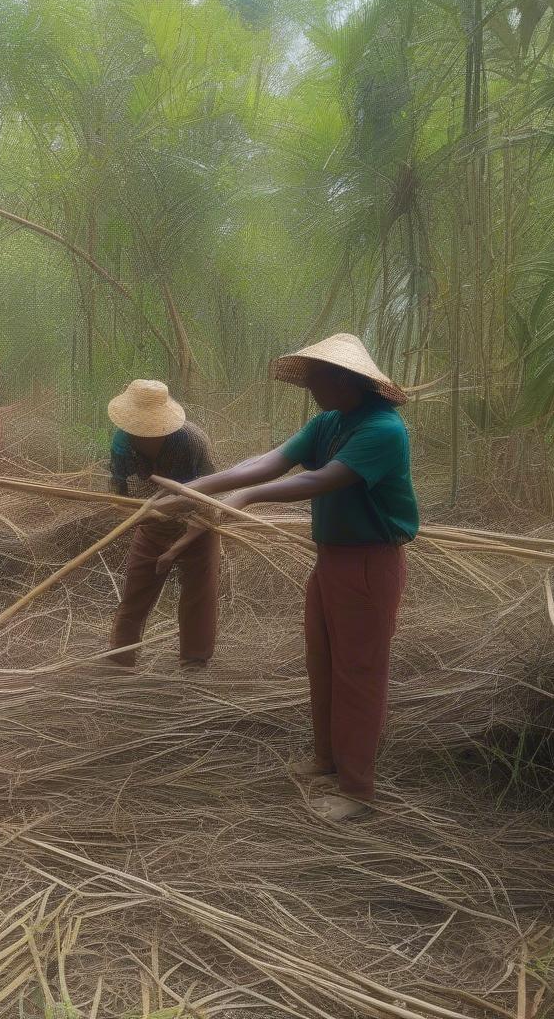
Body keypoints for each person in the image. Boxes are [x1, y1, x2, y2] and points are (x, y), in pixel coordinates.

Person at [159, 334, 419, 821]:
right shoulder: (328, 423)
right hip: (332, 558)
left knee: (358, 670)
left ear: (345, 379)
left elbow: (320, 480)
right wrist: (193, 489)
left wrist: (244, 500)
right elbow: (268, 462)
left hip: (368, 562)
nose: (311, 388)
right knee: (321, 659)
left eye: (316, 378)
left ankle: (358, 789)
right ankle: (327, 759)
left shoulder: (384, 429)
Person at [107, 379, 221, 669]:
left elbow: (210, 498)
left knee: (199, 593)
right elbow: (119, 494)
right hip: (151, 524)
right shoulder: (122, 443)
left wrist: (176, 547)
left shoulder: (190, 441)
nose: (140, 435)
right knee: (136, 591)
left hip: (198, 523)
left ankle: (194, 663)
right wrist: (131, 517)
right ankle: (121, 659)